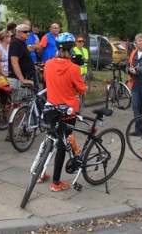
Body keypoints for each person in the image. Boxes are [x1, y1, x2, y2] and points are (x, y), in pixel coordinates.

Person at [42, 32, 87, 192]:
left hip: (51, 107)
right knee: (62, 143)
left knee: (50, 138)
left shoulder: (48, 64)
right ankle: (56, 182)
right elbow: (82, 89)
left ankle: (41, 172)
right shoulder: (74, 68)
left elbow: (47, 81)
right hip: (68, 110)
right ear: (72, 48)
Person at [8, 23, 36, 91]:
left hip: (26, 78)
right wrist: (23, 80)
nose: (28, 33)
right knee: (21, 101)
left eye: (29, 31)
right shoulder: (16, 43)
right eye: (25, 32)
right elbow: (14, 62)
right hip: (19, 80)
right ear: (18, 32)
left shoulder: (21, 43)